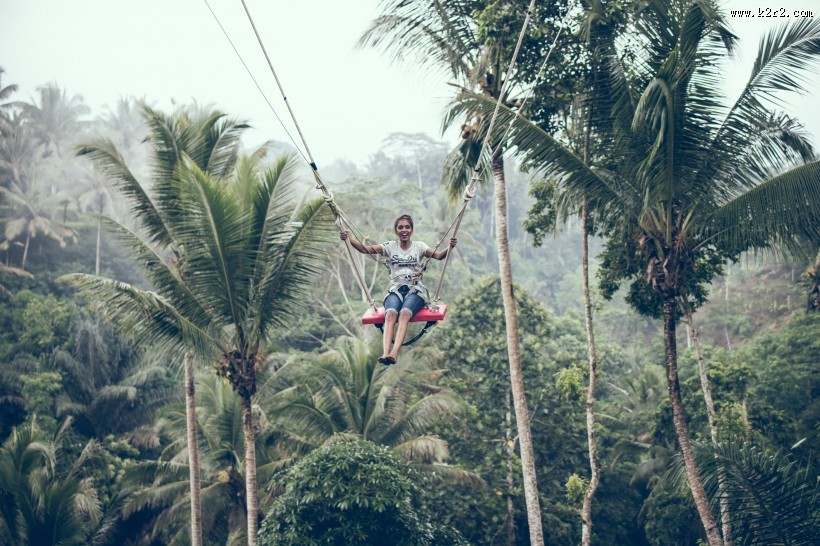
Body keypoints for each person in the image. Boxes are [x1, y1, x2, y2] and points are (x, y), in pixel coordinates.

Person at [340, 214, 456, 365]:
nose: (404, 230)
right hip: (396, 290)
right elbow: (364, 249)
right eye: (400, 227)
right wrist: (348, 239)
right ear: (396, 230)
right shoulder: (389, 247)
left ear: (412, 230)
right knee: (390, 314)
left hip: (415, 291)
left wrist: (450, 247)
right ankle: (385, 353)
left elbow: (439, 256)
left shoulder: (419, 247)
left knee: (404, 314)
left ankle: (394, 353)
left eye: (407, 227)